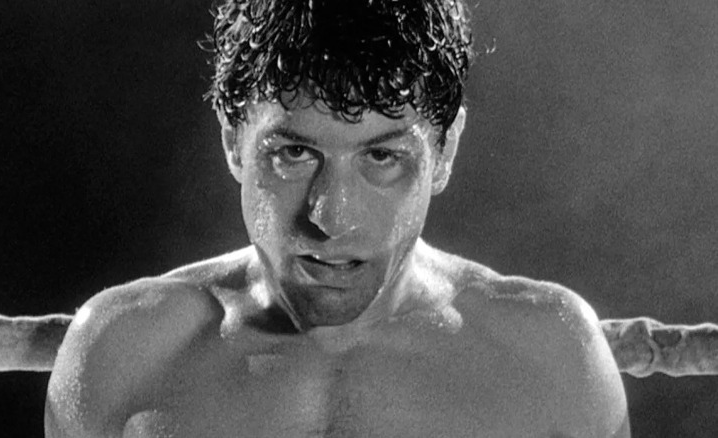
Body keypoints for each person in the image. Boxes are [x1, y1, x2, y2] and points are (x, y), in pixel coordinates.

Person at [45, 0, 630, 436]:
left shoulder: (552, 360)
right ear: (233, 143)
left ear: (445, 151)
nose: (331, 217)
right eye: (294, 153)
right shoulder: (122, 354)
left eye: (382, 157)